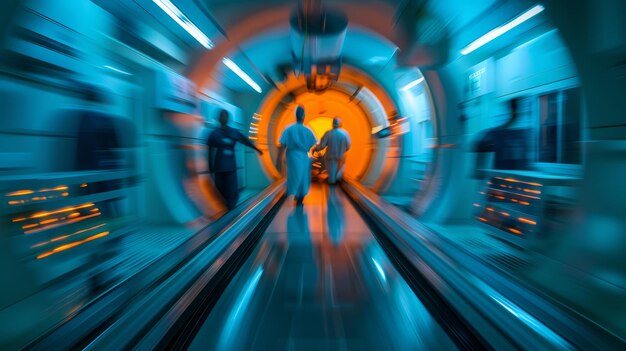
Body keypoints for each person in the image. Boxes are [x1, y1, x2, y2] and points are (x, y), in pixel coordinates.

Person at [207, 109, 263, 210]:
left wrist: (257, 149)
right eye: (222, 116)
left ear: (228, 118)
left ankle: (231, 210)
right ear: (219, 118)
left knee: (232, 191)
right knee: (220, 189)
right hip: (218, 167)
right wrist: (210, 167)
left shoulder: (233, 132)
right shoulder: (214, 134)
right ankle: (225, 208)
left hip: (230, 168)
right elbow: (210, 151)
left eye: (225, 116)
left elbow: (246, 141)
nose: (223, 118)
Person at [276, 105, 318, 206]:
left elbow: (282, 146)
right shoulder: (308, 130)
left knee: (293, 176)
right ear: (304, 116)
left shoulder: (288, 129)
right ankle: (300, 198)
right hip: (303, 156)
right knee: (303, 177)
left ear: (295, 115)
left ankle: (292, 193)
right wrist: (312, 155)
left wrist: (278, 162)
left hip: (291, 156)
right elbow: (316, 144)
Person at [315, 117, 351, 184]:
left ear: (332, 124)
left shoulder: (328, 133)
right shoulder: (345, 134)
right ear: (340, 124)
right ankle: (336, 183)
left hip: (329, 157)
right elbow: (348, 146)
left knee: (331, 174)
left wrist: (316, 148)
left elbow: (322, 146)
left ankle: (331, 184)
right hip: (340, 158)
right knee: (338, 173)